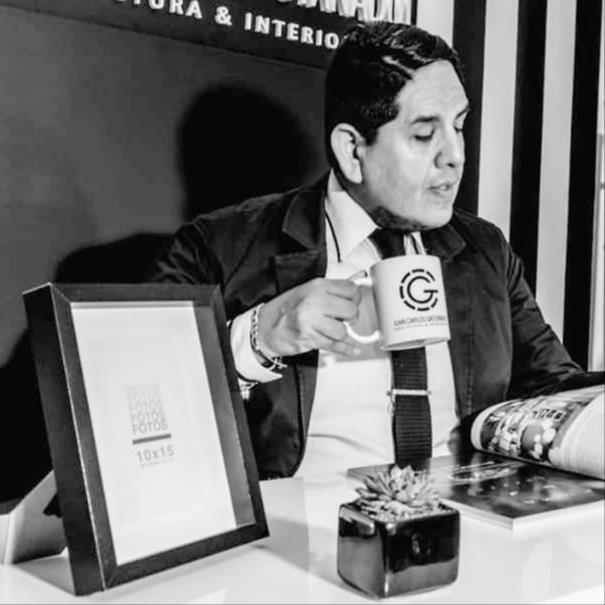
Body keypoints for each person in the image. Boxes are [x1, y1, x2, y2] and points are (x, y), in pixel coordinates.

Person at [149, 21, 585, 479]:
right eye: (424, 134)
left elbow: (557, 386)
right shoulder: (219, 246)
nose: (455, 155)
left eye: (459, 126)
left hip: (464, 514)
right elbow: (138, 400)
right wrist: (258, 339)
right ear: (352, 151)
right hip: (300, 521)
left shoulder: (485, 252)